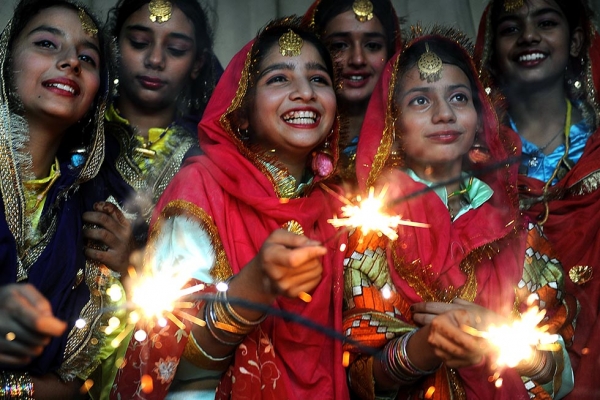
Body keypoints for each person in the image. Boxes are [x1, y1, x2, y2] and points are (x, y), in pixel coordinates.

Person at [110, 18, 349, 400]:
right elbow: (166, 361)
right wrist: (254, 287)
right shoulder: (201, 188)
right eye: (279, 79)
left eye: (319, 79)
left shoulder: (341, 206)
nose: (305, 93)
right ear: (241, 112)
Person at [343, 27, 577, 399]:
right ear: (394, 127)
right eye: (421, 101)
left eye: (458, 97)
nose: (444, 114)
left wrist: (495, 333)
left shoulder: (518, 227)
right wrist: (426, 347)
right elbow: (357, 376)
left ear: (479, 117)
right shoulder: (371, 228)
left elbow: (561, 375)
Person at [0, 0, 129, 398]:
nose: (71, 61)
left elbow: (73, 384)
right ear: (5, 59)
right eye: (46, 43)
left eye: (87, 58)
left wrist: (128, 265)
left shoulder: (91, 209)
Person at [475, 0, 600, 397]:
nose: (529, 36)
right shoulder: (474, 159)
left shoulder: (597, 143)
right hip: (523, 363)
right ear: (493, 51)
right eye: (511, 28)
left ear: (576, 41)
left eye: (546, 23)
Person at [103, 0, 221, 242]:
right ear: (113, 47)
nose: (155, 59)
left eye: (176, 49)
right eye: (139, 42)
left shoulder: (212, 153)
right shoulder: (79, 137)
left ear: (197, 63)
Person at [303, 0, 402, 181]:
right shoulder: (294, 136)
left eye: (372, 46)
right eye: (339, 45)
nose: (357, 59)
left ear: (390, 53)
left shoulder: (411, 139)